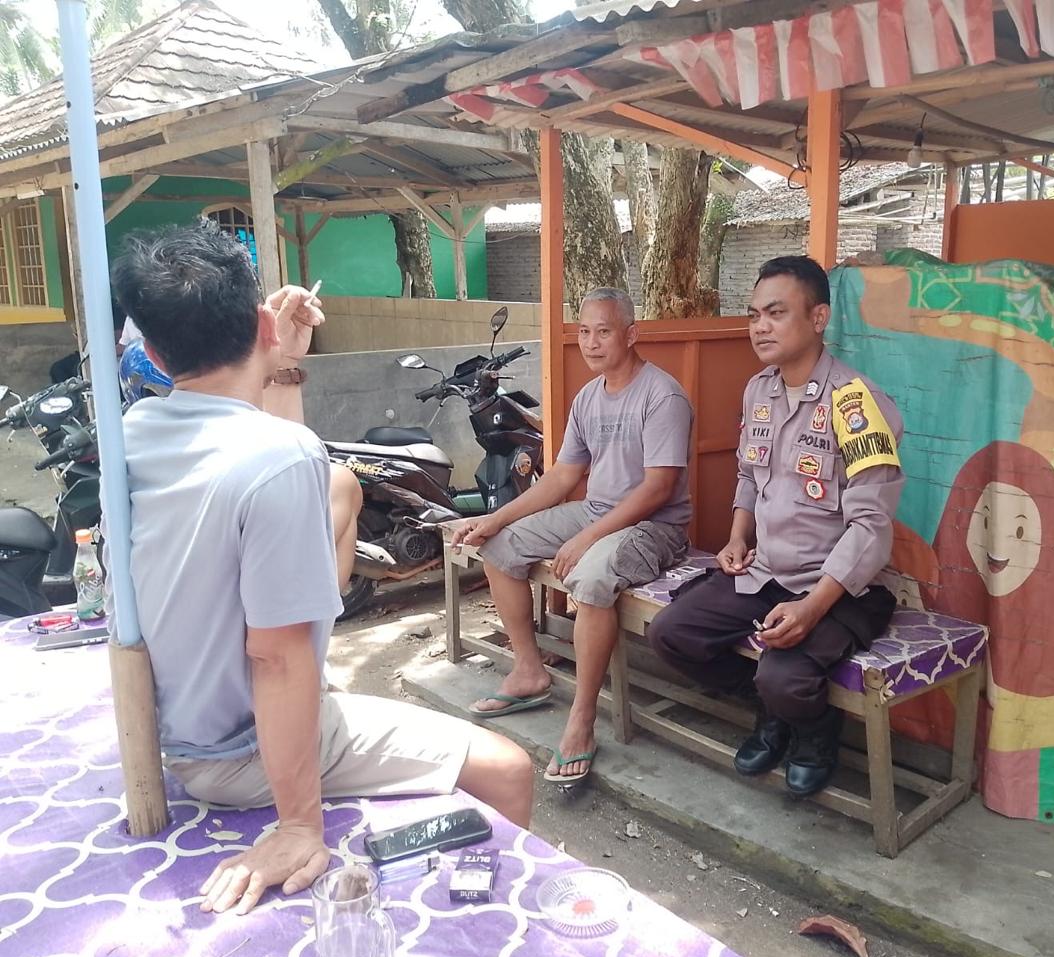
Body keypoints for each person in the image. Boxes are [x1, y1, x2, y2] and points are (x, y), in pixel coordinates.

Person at [109, 223, 533, 916]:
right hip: (238, 748)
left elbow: (266, 451)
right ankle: (488, 929)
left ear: (153, 352)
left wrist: (278, 363)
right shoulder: (280, 457)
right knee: (508, 769)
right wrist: (298, 825)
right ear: (260, 324)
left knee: (339, 486)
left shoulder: (133, 434)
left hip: (182, 726)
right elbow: (276, 658)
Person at [648, 256, 905, 798]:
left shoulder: (857, 405)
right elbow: (749, 474)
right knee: (671, 634)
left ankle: (814, 732)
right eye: (753, 315)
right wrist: (737, 537)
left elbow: (870, 526)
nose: (759, 327)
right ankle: (773, 712)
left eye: (776, 313)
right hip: (765, 571)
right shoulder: (758, 391)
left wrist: (812, 608)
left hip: (836, 587)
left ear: (818, 318)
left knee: (783, 675)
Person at [451, 288, 693, 784]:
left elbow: (658, 488)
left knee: (590, 577)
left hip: (655, 526)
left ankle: (582, 719)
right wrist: (495, 519)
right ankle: (529, 670)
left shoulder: (662, 395)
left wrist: (587, 539)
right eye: (584, 331)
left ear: (631, 334)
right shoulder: (588, 397)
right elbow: (562, 477)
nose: (591, 342)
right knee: (499, 547)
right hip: (597, 512)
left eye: (604, 332)